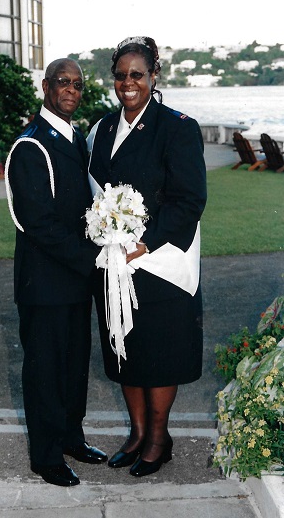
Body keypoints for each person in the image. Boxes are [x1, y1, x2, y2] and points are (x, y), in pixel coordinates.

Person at [88, 37, 207, 477]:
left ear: (154, 76)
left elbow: (190, 200)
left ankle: (159, 438)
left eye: (136, 74)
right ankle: (137, 433)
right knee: (127, 350)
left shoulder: (177, 126)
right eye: (120, 75)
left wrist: (146, 242)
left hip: (159, 262)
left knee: (160, 353)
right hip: (115, 264)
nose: (127, 83)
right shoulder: (101, 129)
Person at [5, 58, 107, 487]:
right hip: (44, 283)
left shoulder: (76, 137)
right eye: (62, 82)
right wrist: (93, 258)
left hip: (74, 282)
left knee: (74, 364)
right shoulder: (30, 146)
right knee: (45, 370)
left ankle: (70, 437)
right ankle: (45, 456)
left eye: (77, 84)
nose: (70, 90)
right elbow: (38, 223)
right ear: (45, 87)